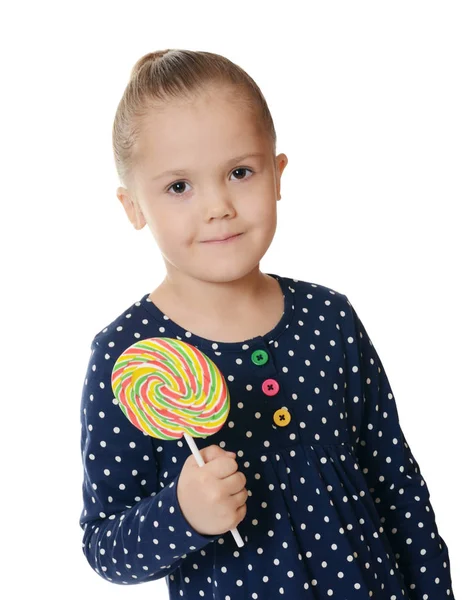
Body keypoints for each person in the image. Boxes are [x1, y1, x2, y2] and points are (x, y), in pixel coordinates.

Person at [79, 49, 455, 599]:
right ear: (133, 207)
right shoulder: (131, 354)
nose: (218, 206)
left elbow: (397, 484)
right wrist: (181, 513)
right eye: (179, 187)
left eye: (239, 172)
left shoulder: (330, 319)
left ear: (277, 174)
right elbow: (105, 546)